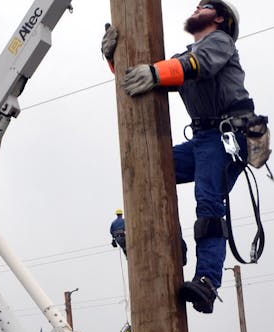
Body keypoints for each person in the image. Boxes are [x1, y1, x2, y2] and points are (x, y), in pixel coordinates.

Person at [102, 1, 254, 314]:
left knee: (209, 203)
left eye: (205, 6)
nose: (197, 7)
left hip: (227, 135)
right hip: (203, 138)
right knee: (148, 169)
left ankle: (207, 282)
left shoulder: (220, 43)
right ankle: (171, 246)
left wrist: (155, 72)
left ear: (220, 18)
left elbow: (194, 66)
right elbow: (147, 78)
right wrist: (115, 59)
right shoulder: (183, 58)